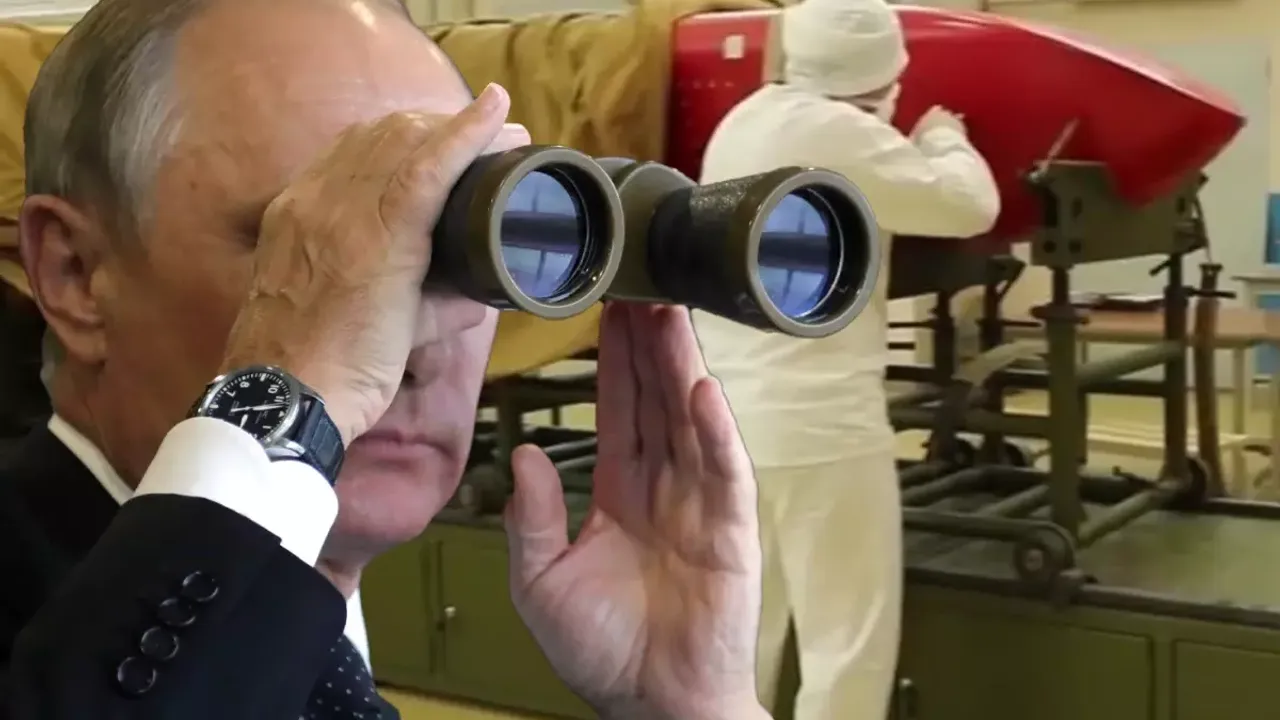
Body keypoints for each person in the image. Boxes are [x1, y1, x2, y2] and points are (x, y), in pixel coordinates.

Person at [0, 0, 770, 718]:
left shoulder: (313, 650)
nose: (408, 351)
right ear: (77, 275)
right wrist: (285, 416)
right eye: (316, 251)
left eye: (456, 255)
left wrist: (691, 704)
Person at [690, 0, 1001, 717]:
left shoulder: (743, 120)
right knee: (846, 639)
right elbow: (968, 206)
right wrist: (944, 136)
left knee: (744, 629)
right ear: (885, 73)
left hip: (730, 416)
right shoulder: (844, 133)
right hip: (820, 427)